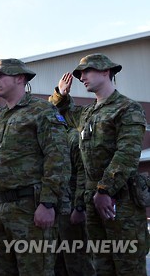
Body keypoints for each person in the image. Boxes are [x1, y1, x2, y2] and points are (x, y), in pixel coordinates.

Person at [0, 59, 68, 275]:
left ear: (20, 78)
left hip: (29, 207)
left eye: (1, 76)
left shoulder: (42, 111)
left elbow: (58, 158)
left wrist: (47, 203)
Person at [49, 53, 148, 275]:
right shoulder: (88, 113)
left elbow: (127, 153)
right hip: (94, 200)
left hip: (121, 201)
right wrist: (60, 94)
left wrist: (105, 189)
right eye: (80, 73)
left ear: (106, 71)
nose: (82, 77)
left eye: (87, 71)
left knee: (128, 265)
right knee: (101, 265)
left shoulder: (127, 108)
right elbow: (59, 111)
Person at [54, 128, 95, 275]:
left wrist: (79, 207)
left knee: (77, 264)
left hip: (70, 211)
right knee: (56, 265)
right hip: (52, 210)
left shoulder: (73, 137)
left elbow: (83, 173)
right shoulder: (47, 137)